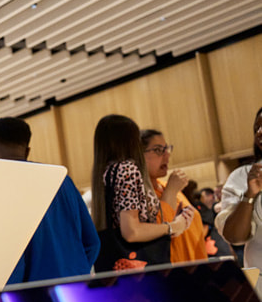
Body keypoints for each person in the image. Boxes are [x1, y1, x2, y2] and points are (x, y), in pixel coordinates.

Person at [0, 117, 100, 282]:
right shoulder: (62, 179)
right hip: (77, 285)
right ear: (27, 151)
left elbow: (9, 261)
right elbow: (92, 242)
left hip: (34, 295)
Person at [91, 114, 194, 271]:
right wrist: (173, 226)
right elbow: (132, 231)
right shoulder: (127, 169)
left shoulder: (105, 172)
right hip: (140, 264)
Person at [140, 129, 207, 263]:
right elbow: (160, 230)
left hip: (197, 270)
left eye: (167, 149)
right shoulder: (139, 193)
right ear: (139, 155)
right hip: (172, 274)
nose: (167, 156)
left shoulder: (166, 186)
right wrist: (170, 191)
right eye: (159, 150)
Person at [216, 106, 262, 269]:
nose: (260, 132)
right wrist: (249, 196)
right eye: (257, 128)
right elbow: (234, 237)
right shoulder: (242, 176)